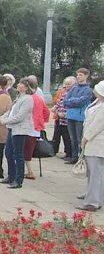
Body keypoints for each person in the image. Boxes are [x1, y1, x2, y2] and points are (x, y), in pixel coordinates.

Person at [0, 77, 35, 189]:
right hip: (12, 128)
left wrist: (3, 121)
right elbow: (11, 111)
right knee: (8, 152)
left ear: (26, 87)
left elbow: (20, 116)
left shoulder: (27, 99)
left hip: (20, 129)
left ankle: (18, 180)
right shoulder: (19, 97)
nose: (18, 85)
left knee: (18, 154)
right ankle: (11, 176)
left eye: (21, 84)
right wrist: (1, 117)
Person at [77, 80, 104, 212]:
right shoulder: (98, 103)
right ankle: (94, 197)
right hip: (94, 144)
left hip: (97, 144)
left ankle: (93, 202)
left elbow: (96, 126)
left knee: (95, 174)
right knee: (94, 173)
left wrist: (85, 138)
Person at [63, 68, 93, 164]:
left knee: (80, 138)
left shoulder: (88, 90)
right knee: (73, 138)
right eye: (77, 75)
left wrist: (73, 100)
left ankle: (81, 158)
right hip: (70, 116)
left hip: (80, 117)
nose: (78, 77)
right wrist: (74, 100)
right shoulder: (73, 88)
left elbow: (81, 102)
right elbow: (65, 101)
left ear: (86, 76)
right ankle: (74, 157)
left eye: (80, 75)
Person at [23, 77, 50, 180]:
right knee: (28, 150)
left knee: (25, 150)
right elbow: (46, 111)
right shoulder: (38, 98)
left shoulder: (29, 98)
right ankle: (29, 170)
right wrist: (41, 121)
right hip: (35, 127)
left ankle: (29, 171)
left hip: (28, 126)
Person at [51, 76, 76, 160]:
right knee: (57, 135)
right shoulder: (64, 92)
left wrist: (65, 114)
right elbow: (58, 102)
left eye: (69, 84)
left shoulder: (73, 93)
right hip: (59, 117)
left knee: (67, 137)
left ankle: (69, 153)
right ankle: (54, 150)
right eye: (66, 84)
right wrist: (56, 110)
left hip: (67, 119)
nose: (67, 85)